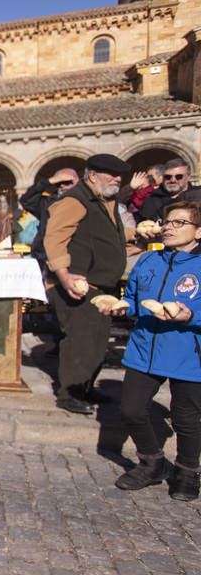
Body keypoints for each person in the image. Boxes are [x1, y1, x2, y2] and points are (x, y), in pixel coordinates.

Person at [98, 200, 201, 500]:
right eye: (167, 221)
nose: (168, 227)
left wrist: (190, 315)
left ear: (198, 231)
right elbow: (132, 297)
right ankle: (153, 462)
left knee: (186, 419)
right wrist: (121, 306)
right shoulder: (148, 260)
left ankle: (187, 471)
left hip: (188, 354)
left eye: (179, 223)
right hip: (144, 350)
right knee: (130, 409)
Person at [44, 153, 135, 414]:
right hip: (79, 282)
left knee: (97, 341)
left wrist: (136, 233)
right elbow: (54, 239)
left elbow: (104, 232)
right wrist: (64, 275)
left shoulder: (104, 200)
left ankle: (85, 387)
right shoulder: (75, 200)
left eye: (120, 175)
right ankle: (69, 393)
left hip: (100, 284)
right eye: (112, 174)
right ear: (93, 176)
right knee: (81, 340)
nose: (118, 179)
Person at [19, 168, 79, 270]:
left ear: (76, 180)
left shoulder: (85, 203)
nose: (62, 186)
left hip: (76, 259)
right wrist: (49, 181)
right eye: (58, 183)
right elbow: (26, 200)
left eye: (67, 182)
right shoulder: (47, 203)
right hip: (46, 259)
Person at [137, 158, 201, 224]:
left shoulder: (197, 196)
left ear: (188, 177)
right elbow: (142, 224)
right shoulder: (151, 201)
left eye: (179, 176)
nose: (173, 180)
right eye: (168, 176)